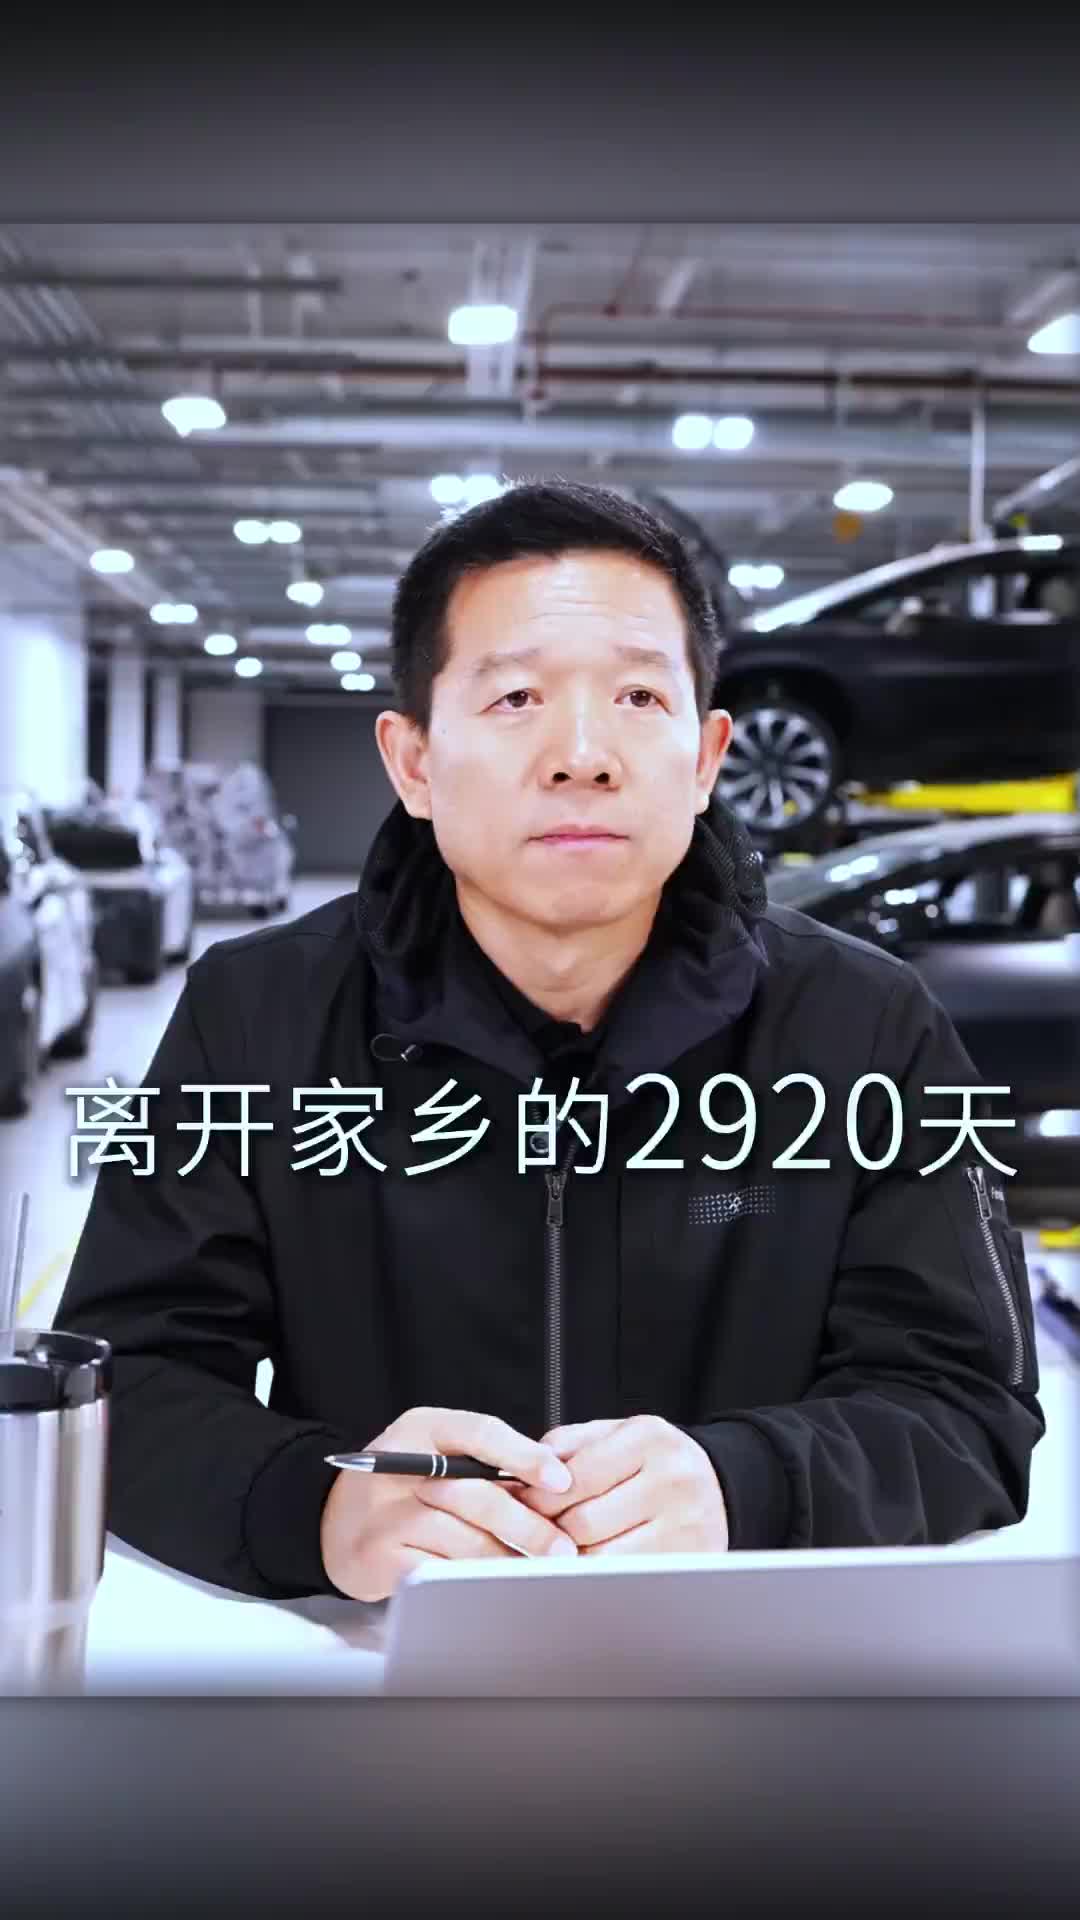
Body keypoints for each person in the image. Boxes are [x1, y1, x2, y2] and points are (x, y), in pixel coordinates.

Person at [55, 481, 1044, 1604]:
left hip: (749, 1667)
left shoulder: (866, 1028)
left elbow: (970, 1403)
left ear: (707, 756)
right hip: (378, 1672)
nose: (582, 754)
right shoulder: (257, 1013)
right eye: (517, 696)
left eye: (637, 695)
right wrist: (312, 1507)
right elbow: (123, 1380)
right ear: (414, 761)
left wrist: (750, 1486)